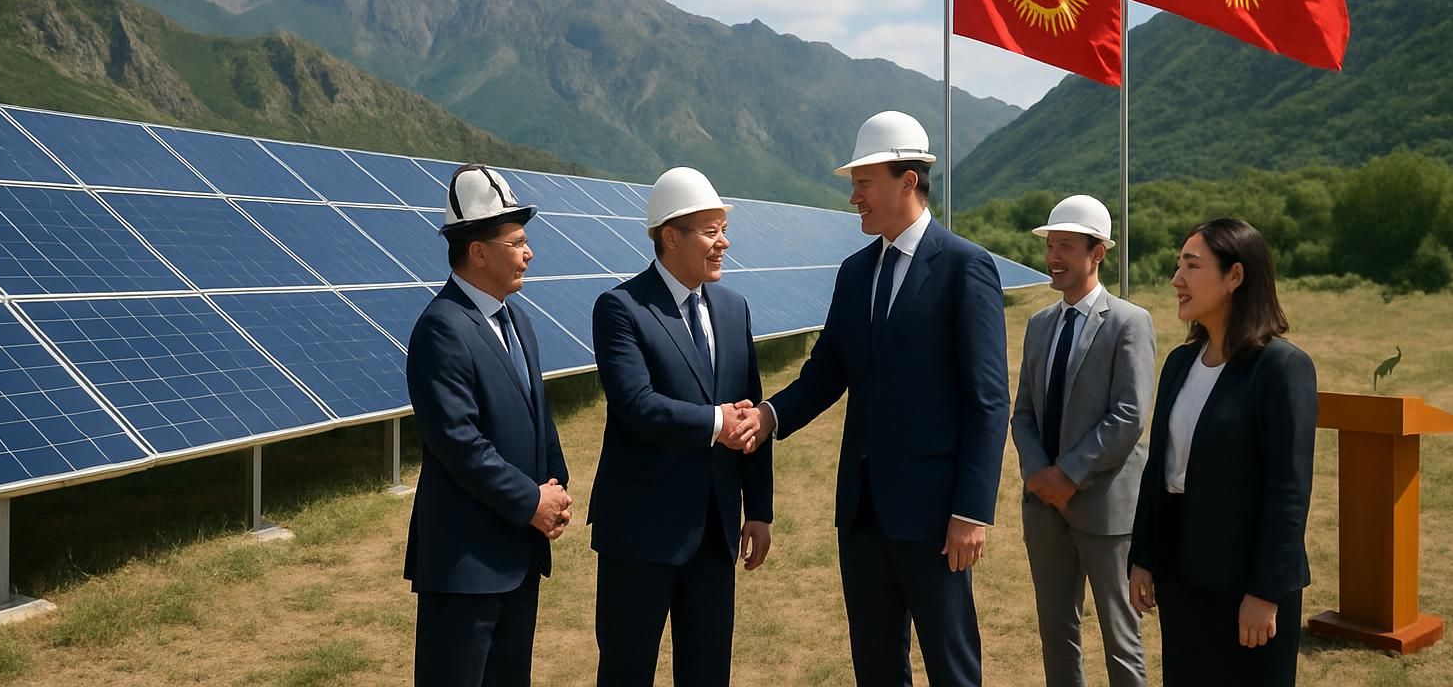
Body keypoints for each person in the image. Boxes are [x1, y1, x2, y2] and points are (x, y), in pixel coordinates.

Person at [752, 111, 1010, 686]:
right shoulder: (854, 272)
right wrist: (770, 415)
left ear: (907, 181)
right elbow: (827, 372)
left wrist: (971, 512)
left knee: (951, 664)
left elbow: (988, 401)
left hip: (936, 514)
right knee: (875, 664)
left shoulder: (966, 268)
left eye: (864, 182)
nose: (853, 197)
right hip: (863, 512)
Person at [589, 166, 774, 687]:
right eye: (711, 231)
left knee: (708, 671)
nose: (724, 243)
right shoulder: (621, 309)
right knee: (628, 670)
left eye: (723, 229)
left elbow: (751, 410)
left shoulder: (734, 309)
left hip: (715, 534)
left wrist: (758, 510)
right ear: (670, 236)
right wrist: (717, 421)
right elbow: (637, 406)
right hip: (640, 535)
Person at [1128, 218, 1318, 686]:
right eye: (1178, 266)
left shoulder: (1281, 368)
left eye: (1191, 266)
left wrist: (1265, 591)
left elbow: (1288, 491)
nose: (1177, 280)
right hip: (1182, 577)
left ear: (1235, 276)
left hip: (1246, 586)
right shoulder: (1179, 363)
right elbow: (1160, 468)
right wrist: (1144, 556)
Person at [404, 163, 570, 687]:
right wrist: (531, 502)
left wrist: (556, 488)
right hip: (465, 565)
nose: (529, 253)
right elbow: (460, 444)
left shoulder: (516, 318)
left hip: (516, 554)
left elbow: (536, 414)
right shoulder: (442, 329)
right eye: (517, 242)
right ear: (478, 252)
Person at [1010, 195, 1155, 687]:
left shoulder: (1129, 323)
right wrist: (1039, 476)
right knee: (1056, 631)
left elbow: (1129, 414)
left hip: (1104, 507)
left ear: (1098, 254)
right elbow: (1023, 413)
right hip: (1043, 507)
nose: (1053, 257)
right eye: (1051, 245)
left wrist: (1068, 474)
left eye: (1065, 247)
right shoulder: (1039, 325)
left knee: (1121, 637)